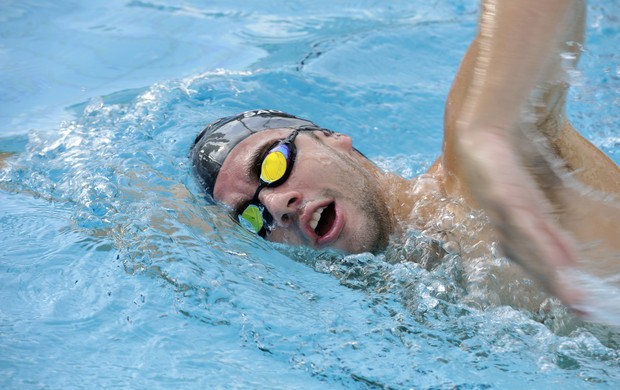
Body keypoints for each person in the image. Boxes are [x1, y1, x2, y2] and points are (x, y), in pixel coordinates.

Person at [191, 0, 620, 318]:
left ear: (333, 139)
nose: (275, 206)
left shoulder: (476, 174)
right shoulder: (391, 307)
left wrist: (488, 126)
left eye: (273, 164)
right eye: (250, 216)